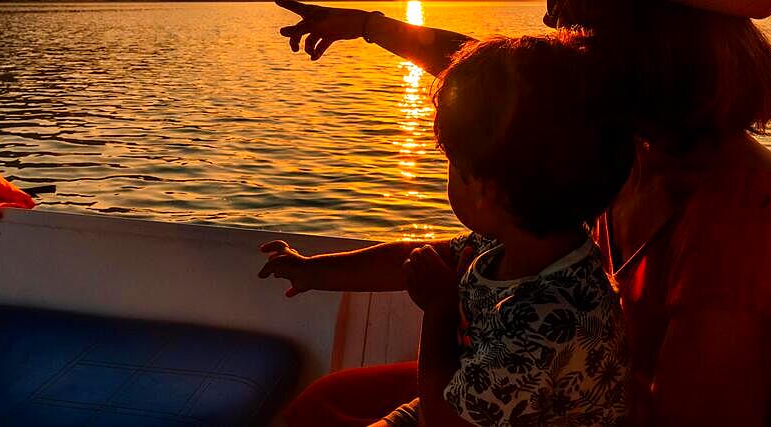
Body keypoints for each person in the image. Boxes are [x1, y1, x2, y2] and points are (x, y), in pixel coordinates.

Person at [275, 0, 771, 426]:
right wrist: (373, 26)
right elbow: (497, 75)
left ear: (643, 35)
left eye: (567, 9)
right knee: (325, 405)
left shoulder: (739, 219)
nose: (550, 25)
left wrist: (447, 320)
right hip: (568, 396)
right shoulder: (616, 142)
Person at [259, 34, 635, 426]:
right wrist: (311, 271)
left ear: (486, 191)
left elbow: (444, 421)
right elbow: (414, 262)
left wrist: (439, 309)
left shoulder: (550, 319)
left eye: (452, 162)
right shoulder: (516, 242)